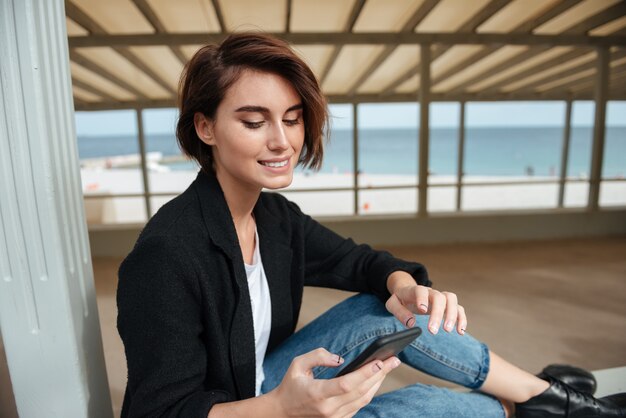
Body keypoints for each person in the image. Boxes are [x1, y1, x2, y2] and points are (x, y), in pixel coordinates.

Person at [116, 32, 625, 418]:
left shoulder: (272, 217)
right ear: (205, 127)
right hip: (241, 409)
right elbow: (162, 411)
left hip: (264, 377)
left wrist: (407, 287)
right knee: (442, 407)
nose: (282, 141)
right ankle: (547, 402)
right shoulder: (166, 254)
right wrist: (282, 407)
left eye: (292, 118)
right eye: (254, 122)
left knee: (392, 304)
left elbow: (360, 263)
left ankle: (545, 397)